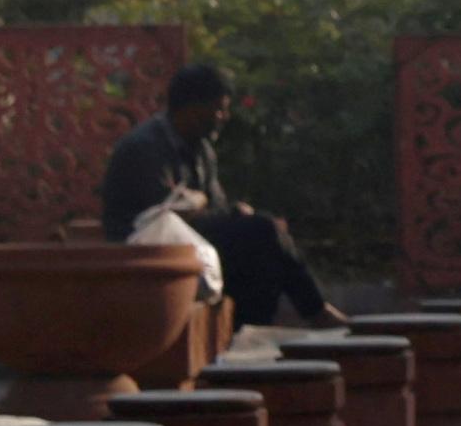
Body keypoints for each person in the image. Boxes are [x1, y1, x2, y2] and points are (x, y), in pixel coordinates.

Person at [98, 65, 345, 328]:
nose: (224, 116)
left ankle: (250, 330)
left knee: (261, 243)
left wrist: (233, 213)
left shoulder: (201, 149)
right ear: (191, 109)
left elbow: (213, 208)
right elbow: (162, 218)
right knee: (262, 230)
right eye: (218, 109)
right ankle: (316, 311)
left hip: (189, 244)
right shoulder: (144, 147)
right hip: (144, 249)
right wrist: (230, 215)